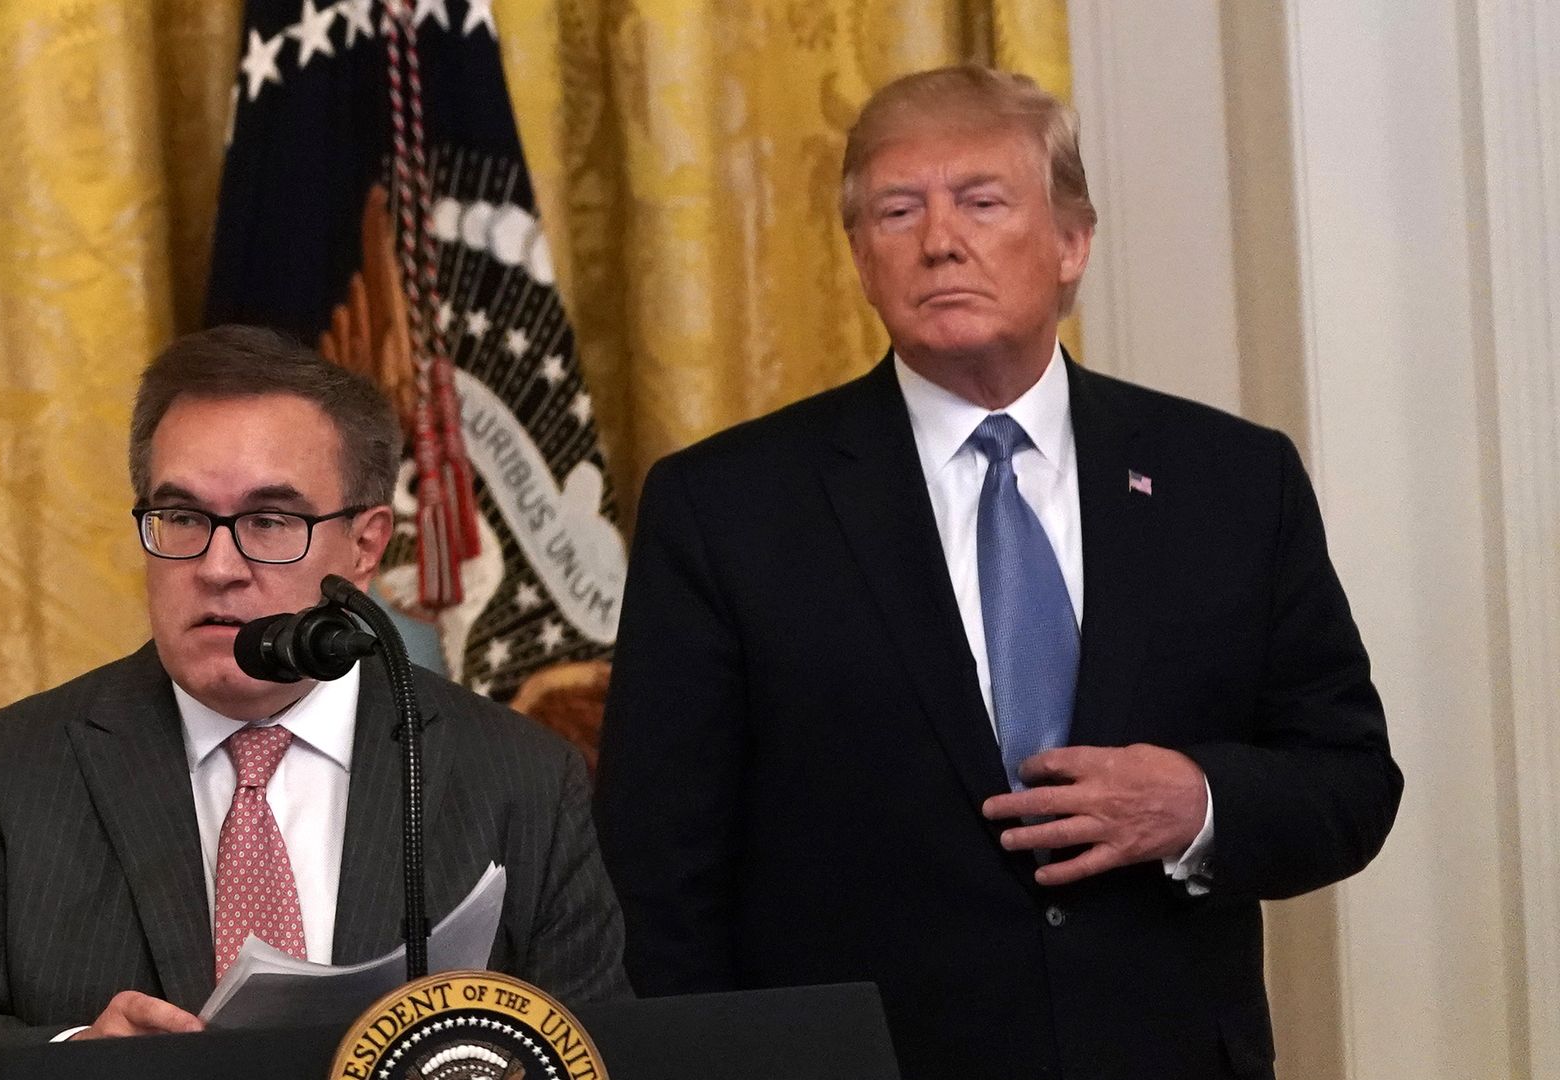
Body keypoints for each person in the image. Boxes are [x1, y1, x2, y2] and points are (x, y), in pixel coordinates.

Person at [594, 65, 1401, 1080]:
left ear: (1072, 242)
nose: (940, 240)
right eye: (898, 210)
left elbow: (1351, 781)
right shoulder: (727, 506)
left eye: (981, 201)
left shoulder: (1231, 481)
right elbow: (658, 873)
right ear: (859, 255)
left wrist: (1197, 803)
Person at [0, 326, 628, 1080]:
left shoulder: (519, 777)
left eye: (268, 521)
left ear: (365, 546)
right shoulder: (9, 772)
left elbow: (606, 1049)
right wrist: (74, 1060)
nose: (217, 566)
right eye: (184, 518)